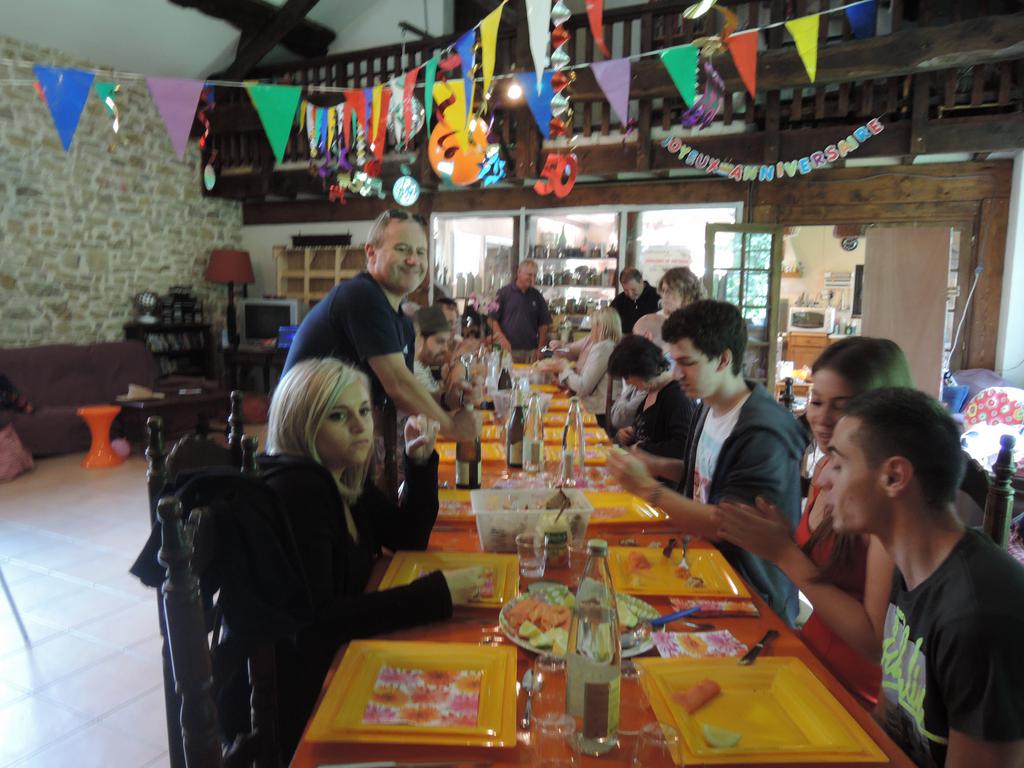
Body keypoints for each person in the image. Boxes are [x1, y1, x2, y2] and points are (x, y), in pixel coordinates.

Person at [259, 358, 487, 757]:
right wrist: (436, 594)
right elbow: (315, 626)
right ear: (301, 425)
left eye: (363, 411)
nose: (360, 426)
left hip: (344, 661)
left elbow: (407, 538)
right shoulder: (298, 493)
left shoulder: (341, 476)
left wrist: (420, 462)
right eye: (338, 416)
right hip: (303, 700)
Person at [810, 388, 1023, 767]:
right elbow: (888, 722)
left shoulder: (979, 616)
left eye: (840, 464)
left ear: (894, 477)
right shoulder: (908, 565)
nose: (824, 480)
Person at [715, 337, 913, 709]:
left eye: (843, 406)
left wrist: (784, 554)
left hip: (851, 693)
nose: (821, 418)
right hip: (806, 656)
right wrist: (780, 540)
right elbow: (822, 573)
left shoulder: (886, 500)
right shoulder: (825, 467)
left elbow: (873, 642)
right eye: (817, 402)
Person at [608, 300, 808, 625]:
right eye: (674, 362)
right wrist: (653, 464)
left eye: (686, 363)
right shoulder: (708, 405)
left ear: (723, 359)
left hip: (751, 598)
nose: (676, 374)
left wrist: (647, 489)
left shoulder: (763, 433)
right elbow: (704, 475)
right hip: (705, 568)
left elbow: (724, 524)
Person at [283, 209, 473, 440]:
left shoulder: (402, 321)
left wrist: (445, 400)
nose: (413, 260)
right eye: (402, 249)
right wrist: (453, 429)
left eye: (420, 252)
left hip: (340, 438)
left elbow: (402, 397)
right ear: (371, 253)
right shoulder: (362, 295)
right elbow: (399, 386)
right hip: (304, 442)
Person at [606, 334, 694, 464]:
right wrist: (628, 435)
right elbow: (648, 434)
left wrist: (641, 448)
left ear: (640, 369)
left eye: (626, 376)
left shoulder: (677, 397)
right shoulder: (650, 392)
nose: (628, 382)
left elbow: (681, 447)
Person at [549, 308, 622, 428]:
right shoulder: (600, 343)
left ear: (601, 328)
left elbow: (583, 386)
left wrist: (564, 369)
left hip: (596, 413)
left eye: (593, 326)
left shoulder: (604, 347)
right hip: (596, 409)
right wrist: (560, 347)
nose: (591, 329)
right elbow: (570, 349)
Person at [607, 310, 667, 441]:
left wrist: (639, 447)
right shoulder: (642, 372)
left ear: (647, 337)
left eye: (634, 336)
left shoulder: (658, 379)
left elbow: (619, 417)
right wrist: (631, 432)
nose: (628, 382)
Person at [489, 260, 552, 361]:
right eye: (529, 275)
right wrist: (501, 338)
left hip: (531, 352)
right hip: (507, 351)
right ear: (519, 272)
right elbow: (491, 319)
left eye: (534, 275)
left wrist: (541, 348)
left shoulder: (537, 296)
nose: (532, 279)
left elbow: (544, 324)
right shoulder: (503, 293)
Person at [412, 305, 451, 395]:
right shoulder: (415, 370)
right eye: (440, 341)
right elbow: (436, 403)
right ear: (419, 340)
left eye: (447, 342)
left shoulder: (424, 366)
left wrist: (446, 381)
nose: (446, 349)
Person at [610, 267, 660, 333]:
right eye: (626, 290)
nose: (630, 294)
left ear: (641, 282)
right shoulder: (620, 300)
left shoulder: (657, 296)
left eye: (633, 289)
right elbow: (609, 319)